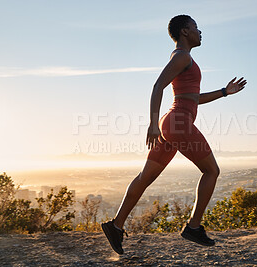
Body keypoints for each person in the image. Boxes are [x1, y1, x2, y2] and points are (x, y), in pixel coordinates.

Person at [102, 14, 247, 254]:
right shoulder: (182, 56)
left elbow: (194, 99)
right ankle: (193, 227)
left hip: (172, 123)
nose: (200, 32)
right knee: (212, 171)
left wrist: (224, 92)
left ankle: (116, 226)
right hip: (177, 123)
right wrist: (151, 125)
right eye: (196, 28)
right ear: (184, 32)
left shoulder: (183, 59)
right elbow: (158, 85)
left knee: (144, 177)